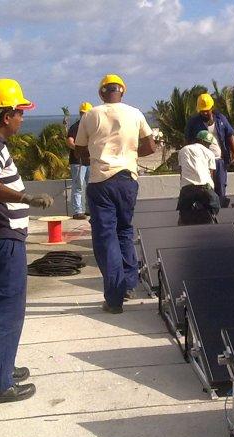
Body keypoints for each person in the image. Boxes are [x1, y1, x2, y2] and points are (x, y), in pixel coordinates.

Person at [0, 78, 54, 404]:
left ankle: (3, 368)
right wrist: (24, 198)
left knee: (0, 305)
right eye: (20, 112)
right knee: (6, 308)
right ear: (6, 116)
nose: (23, 118)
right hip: (1, 239)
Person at [75, 74, 157, 314]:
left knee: (106, 238)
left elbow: (80, 151)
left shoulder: (92, 114)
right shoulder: (135, 113)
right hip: (128, 180)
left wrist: (97, 152)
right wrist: (129, 155)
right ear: (122, 91)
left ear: (101, 93)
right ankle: (129, 284)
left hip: (102, 181)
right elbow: (151, 146)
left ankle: (114, 299)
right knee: (124, 230)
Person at [185, 93, 234, 206]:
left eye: (206, 110)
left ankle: (221, 214)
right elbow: (188, 142)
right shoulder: (193, 122)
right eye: (202, 111)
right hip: (202, 163)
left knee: (220, 189)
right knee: (204, 190)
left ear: (211, 108)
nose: (204, 113)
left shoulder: (221, 119)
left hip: (219, 161)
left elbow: (230, 135)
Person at [177, 130, 220, 225]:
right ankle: (210, 224)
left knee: (184, 213)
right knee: (215, 206)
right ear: (203, 141)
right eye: (208, 143)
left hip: (187, 187)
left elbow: (181, 172)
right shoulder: (210, 153)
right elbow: (211, 174)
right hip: (204, 187)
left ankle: (183, 227)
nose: (209, 146)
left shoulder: (183, 150)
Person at [66, 101, 93, 220]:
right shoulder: (75, 127)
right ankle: (78, 211)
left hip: (89, 162)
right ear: (81, 114)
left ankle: (89, 209)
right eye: (83, 113)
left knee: (91, 186)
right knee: (78, 186)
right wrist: (79, 149)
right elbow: (69, 141)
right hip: (78, 162)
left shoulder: (92, 128)